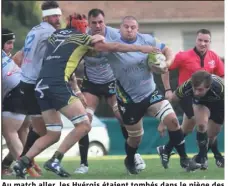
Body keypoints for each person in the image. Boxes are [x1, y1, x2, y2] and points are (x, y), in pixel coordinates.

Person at [13, 13, 159, 179]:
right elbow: (114, 47)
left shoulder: (55, 35)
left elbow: (64, 57)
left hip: (41, 85)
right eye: (87, 24)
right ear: (83, 26)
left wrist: (76, 87)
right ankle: (55, 160)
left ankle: (22, 162)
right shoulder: (83, 38)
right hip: (57, 85)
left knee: (53, 133)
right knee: (84, 125)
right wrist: (141, 48)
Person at [103, 16, 200, 174]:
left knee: (173, 121)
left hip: (151, 92)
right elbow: (97, 51)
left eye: (133, 27)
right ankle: (130, 159)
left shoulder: (147, 39)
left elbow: (167, 49)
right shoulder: (114, 46)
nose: (129, 30)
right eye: (126, 27)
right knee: (135, 138)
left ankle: (184, 160)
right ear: (120, 29)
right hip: (129, 99)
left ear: (138, 29)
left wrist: (166, 64)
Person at [74, 8, 146, 174]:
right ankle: (84, 164)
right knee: (85, 121)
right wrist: (75, 87)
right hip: (91, 84)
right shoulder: (82, 37)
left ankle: (134, 156)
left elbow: (130, 50)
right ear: (88, 24)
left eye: (101, 22)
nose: (98, 25)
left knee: (122, 117)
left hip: (112, 82)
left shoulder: (114, 34)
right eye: (94, 23)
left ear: (104, 21)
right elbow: (71, 61)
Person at [157, 29, 224, 169]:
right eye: (200, 40)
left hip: (208, 96)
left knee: (189, 129)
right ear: (196, 40)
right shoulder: (183, 56)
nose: (203, 43)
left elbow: (221, 75)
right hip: (187, 94)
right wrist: (168, 89)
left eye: (206, 41)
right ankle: (206, 157)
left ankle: (167, 149)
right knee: (200, 123)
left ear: (210, 42)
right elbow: (165, 68)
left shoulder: (214, 57)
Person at [13, 1, 62, 177]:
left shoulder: (34, 30)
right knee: (46, 131)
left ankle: (23, 161)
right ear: (46, 17)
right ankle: (21, 162)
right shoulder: (49, 31)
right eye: (55, 16)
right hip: (33, 84)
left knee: (38, 129)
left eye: (59, 15)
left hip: (27, 82)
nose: (58, 19)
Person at [171, 71, 224, 169]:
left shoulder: (220, 88)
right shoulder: (188, 85)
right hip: (201, 103)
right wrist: (163, 120)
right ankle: (203, 159)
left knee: (211, 135)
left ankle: (208, 156)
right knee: (201, 126)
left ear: (208, 87)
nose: (196, 92)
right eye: (194, 89)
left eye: (200, 89)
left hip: (219, 104)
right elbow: (173, 98)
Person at [1, 28, 30, 176]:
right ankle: (6, 165)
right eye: (8, 43)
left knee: (9, 132)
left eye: (12, 43)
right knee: (22, 131)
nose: (11, 46)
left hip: (16, 93)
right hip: (27, 90)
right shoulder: (6, 58)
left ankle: (22, 167)